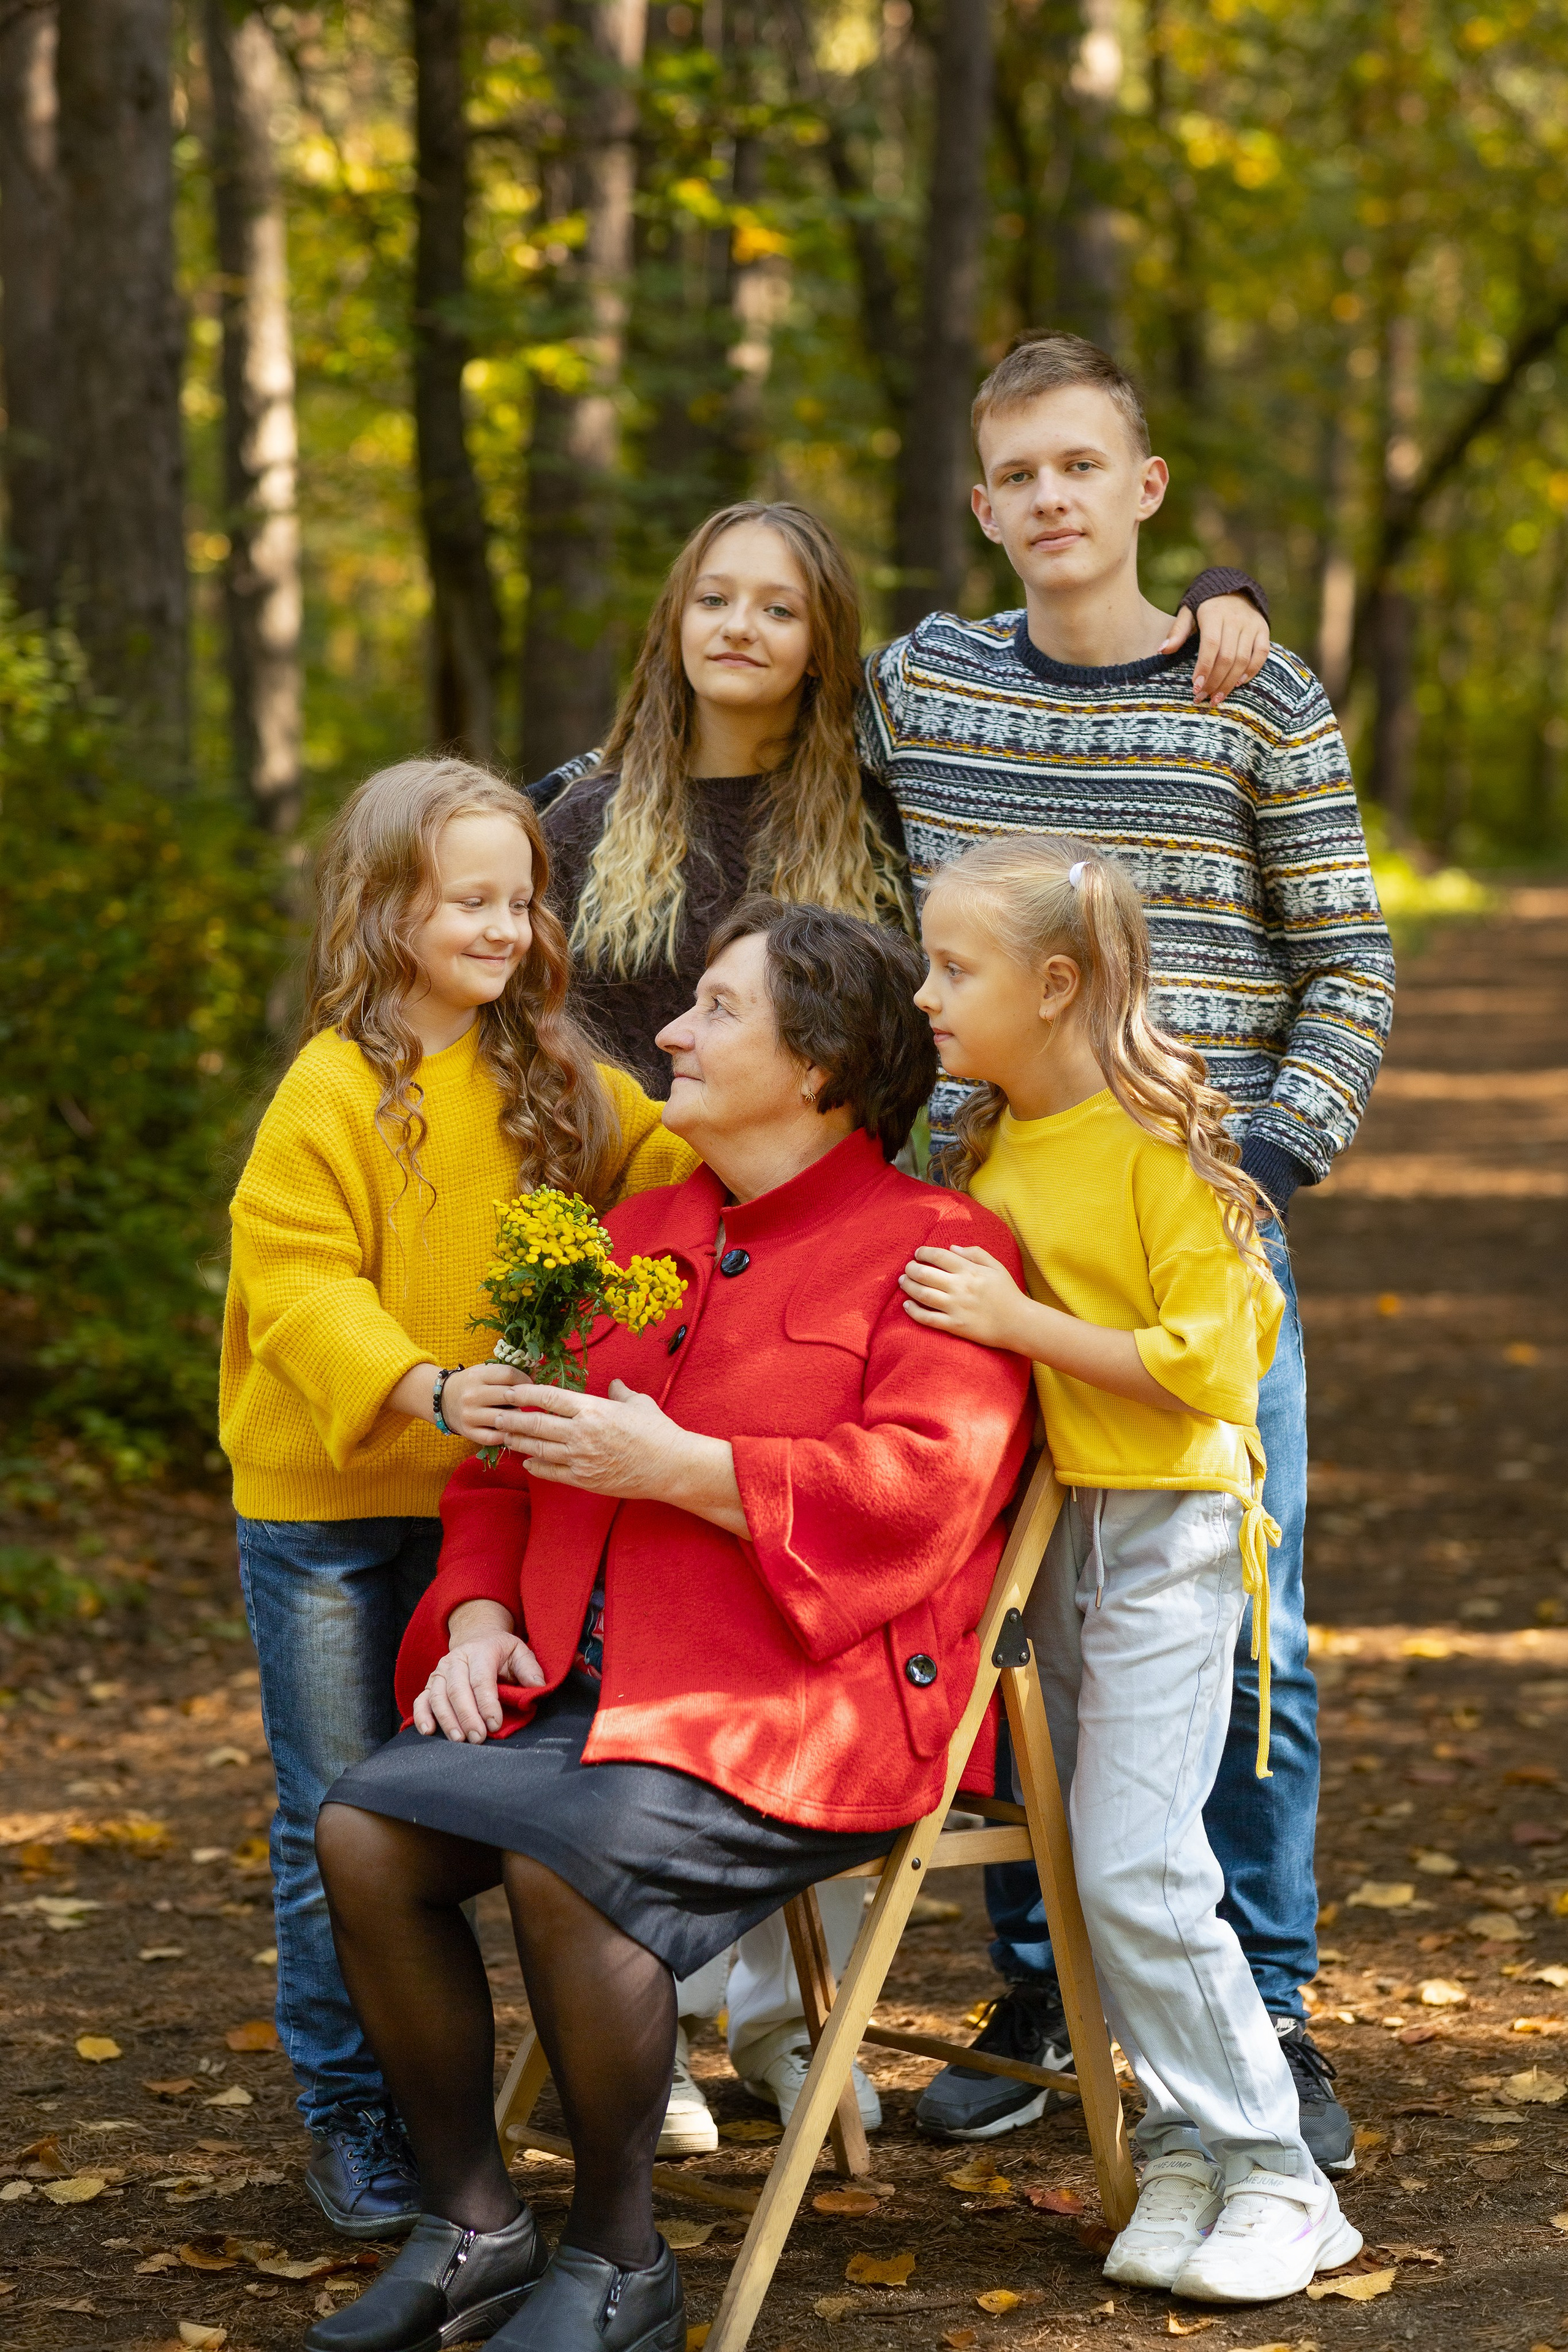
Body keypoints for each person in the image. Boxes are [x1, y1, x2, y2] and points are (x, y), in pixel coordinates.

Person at [528, 495, 1272, 2138]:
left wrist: (1211, 596)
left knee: (839, 1591)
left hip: (842, 1248)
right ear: (671, 621)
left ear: (826, 645)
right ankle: (651, 1998)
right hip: (652, 1240)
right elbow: (540, 1021)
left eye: (778, 608)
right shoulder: (589, 811)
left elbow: (1043, 801)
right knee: (654, 1582)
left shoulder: (876, 796)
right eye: (710, 596)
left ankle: (812, 2019)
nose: (740, 628)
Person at [303, 902, 1035, 2352]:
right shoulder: (621, 1237)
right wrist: (474, 1617)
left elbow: (929, 1491)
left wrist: (691, 1473)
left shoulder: (936, 1245)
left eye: (714, 1009)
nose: (675, 1035)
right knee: (365, 1831)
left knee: (572, 1856)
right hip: (579, 1693)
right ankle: (471, 2222)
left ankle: (621, 2258)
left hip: (801, 1707)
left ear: (819, 1061)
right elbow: (497, 1467)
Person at [865, 333, 1395, 2170]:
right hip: (982, 1237)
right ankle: (1049, 1990)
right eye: (1018, 476)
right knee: (1015, 1624)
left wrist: (1255, 1165)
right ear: (985, 503)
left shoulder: (1256, 694)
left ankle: (1268, 2008)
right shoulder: (924, 683)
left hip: (1188, 1248)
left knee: (1241, 1624)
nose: (1052, 502)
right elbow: (737, 698)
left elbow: (1350, 962)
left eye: (1084, 467)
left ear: (1147, 489)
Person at [219, 759, 696, 2239]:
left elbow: (674, 1162)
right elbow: (296, 1284)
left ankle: (543, 2073)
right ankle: (355, 2113)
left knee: (514, 1805)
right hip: (334, 1511)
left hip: (499, 1514)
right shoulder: (330, 1090)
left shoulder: (552, 1073)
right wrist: (424, 1386)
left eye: (520, 899)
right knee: (337, 1811)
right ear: (386, 910)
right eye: (469, 901)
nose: (504, 926)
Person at [901, 835, 1363, 2303]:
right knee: (1091, 1871)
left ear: (1054, 986)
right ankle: (1185, 2142)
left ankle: (1279, 2172)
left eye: (951, 969)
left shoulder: (1161, 1145)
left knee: (1138, 1866)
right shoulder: (983, 1144)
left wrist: (1014, 1319)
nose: (925, 993)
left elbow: (1212, 1369)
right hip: (1052, 1539)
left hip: (1162, 1530)